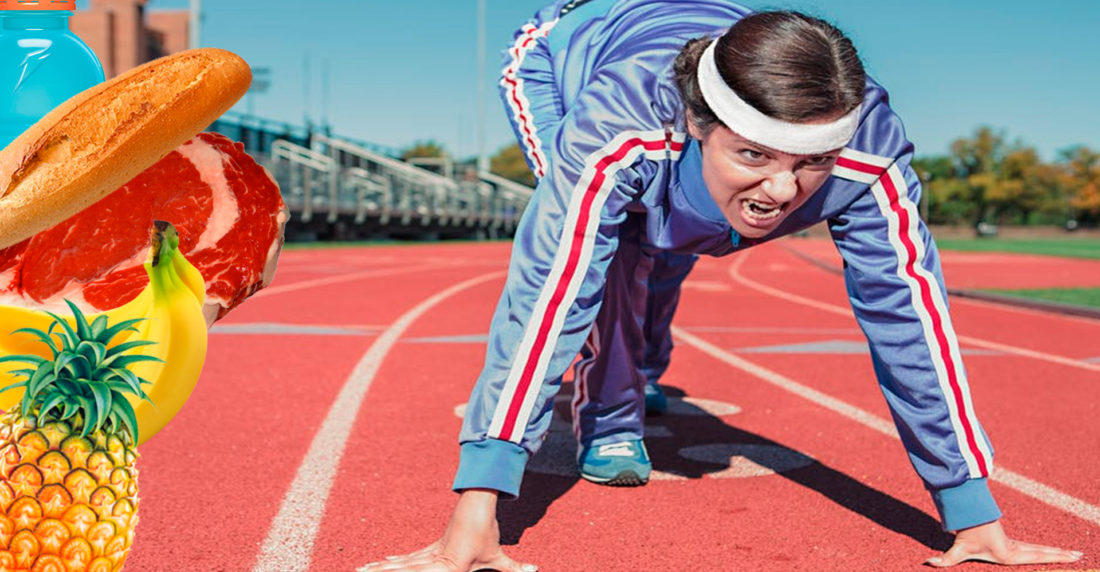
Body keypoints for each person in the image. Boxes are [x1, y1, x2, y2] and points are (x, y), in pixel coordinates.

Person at [363, 1, 1084, 570]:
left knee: (677, 241)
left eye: (812, 162)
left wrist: (972, 513)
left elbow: (911, 323)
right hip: (561, 56)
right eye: (753, 154)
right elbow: (550, 291)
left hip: (695, 86)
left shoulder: (870, 155)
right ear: (700, 124)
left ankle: (640, 366)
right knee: (612, 248)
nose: (782, 189)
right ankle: (610, 418)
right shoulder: (619, 124)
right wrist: (477, 508)